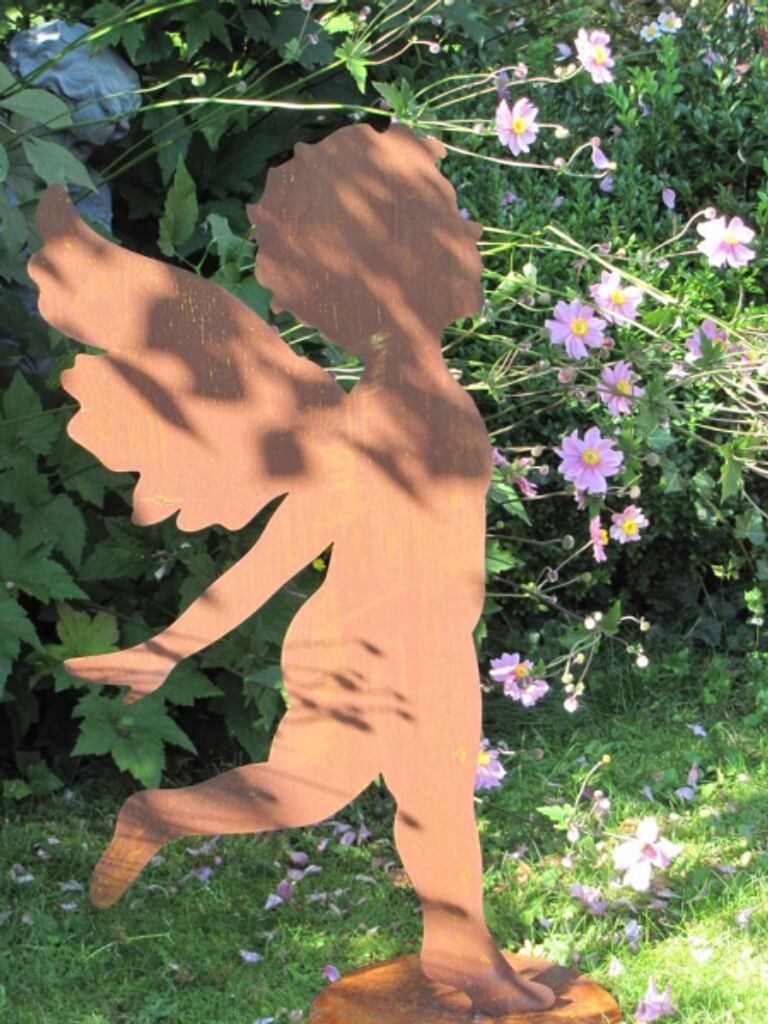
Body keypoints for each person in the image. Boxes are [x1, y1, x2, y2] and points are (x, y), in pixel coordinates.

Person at [29, 122, 555, 1015]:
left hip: (425, 637)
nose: (460, 246)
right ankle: (461, 956)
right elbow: (285, 545)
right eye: (432, 236)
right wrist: (169, 647)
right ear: (377, 274)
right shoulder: (373, 416)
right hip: (374, 643)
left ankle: (165, 818)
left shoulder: (422, 393)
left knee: (365, 796)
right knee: (388, 799)